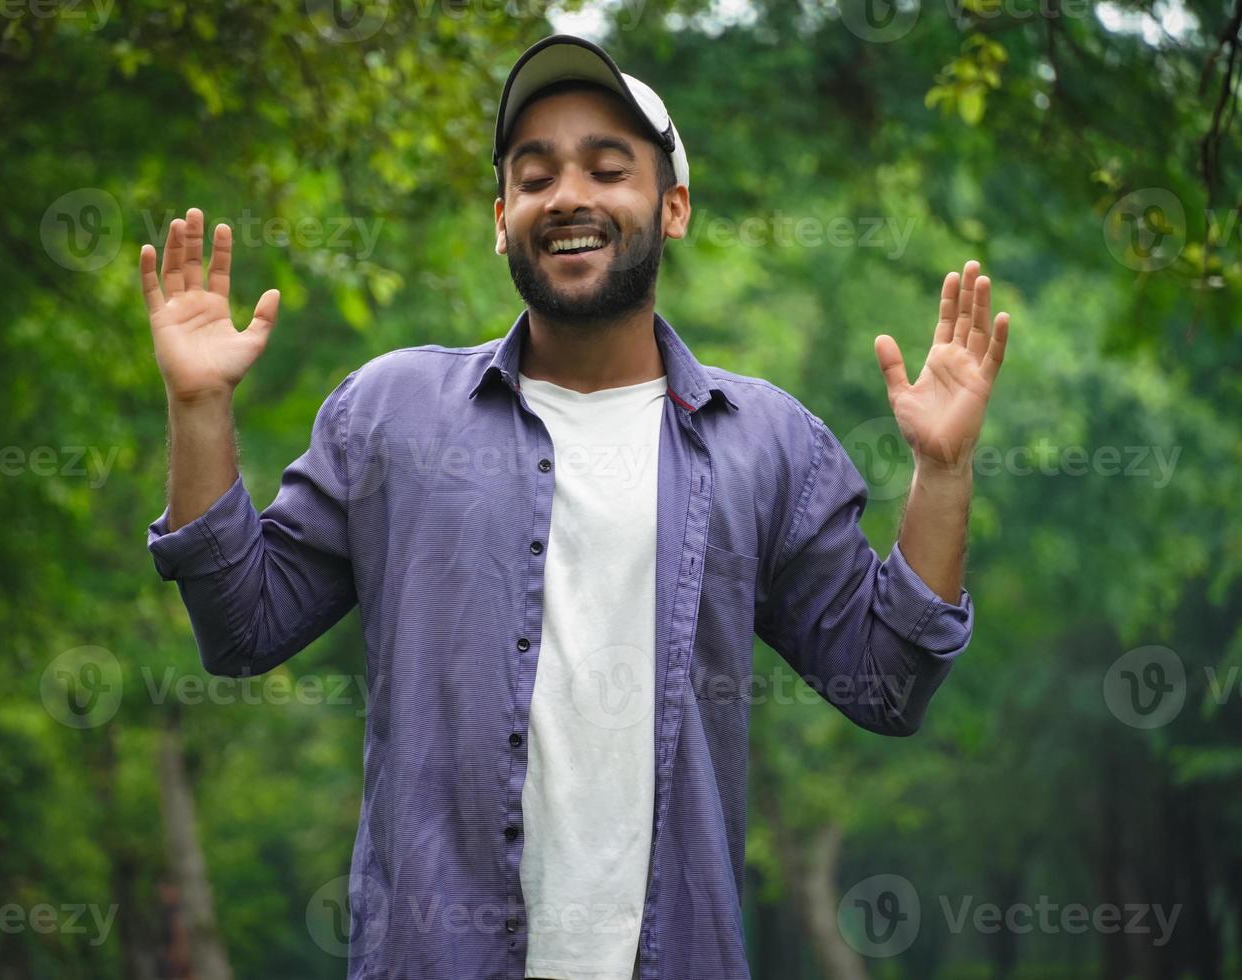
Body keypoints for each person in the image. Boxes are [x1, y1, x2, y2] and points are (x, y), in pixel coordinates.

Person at [139, 32, 1010, 980]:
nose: (569, 197)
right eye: (535, 173)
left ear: (671, 207)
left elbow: (885, 683)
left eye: (607, 168)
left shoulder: (767, 443)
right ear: (501, 215)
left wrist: (943, 471)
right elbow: (238, 627)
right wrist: (198, 408)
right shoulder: (391, 416)